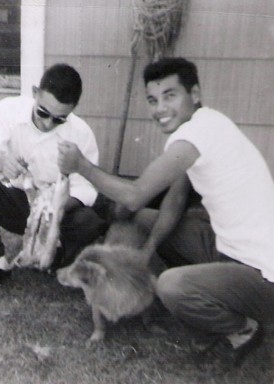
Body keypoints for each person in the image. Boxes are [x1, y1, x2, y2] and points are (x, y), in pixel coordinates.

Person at [57, 57, 274, 366]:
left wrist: (82, 166)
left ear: (195, 94)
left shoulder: (194, 136)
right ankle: (207, 301)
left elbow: (134, 195)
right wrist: (148, 249)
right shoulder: (207, 123)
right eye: (152, 100)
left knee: (171, 285)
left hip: (263, 276)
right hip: (230, 247)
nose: (159, 108)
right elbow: (174, 199)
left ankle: (243, 329)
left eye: (170, 96)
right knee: (145, 220)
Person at [0, 63, 107, 291]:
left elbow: (86, 188)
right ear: (34, 93)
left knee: (88, 221)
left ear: (73, 109)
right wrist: (1, 163)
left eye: (59, 119)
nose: (48, 123)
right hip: (19, 202)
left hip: (57, 211)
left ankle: (57, 257)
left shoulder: (81, 133)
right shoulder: (8, 109)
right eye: (43, 112)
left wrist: (54, 208)